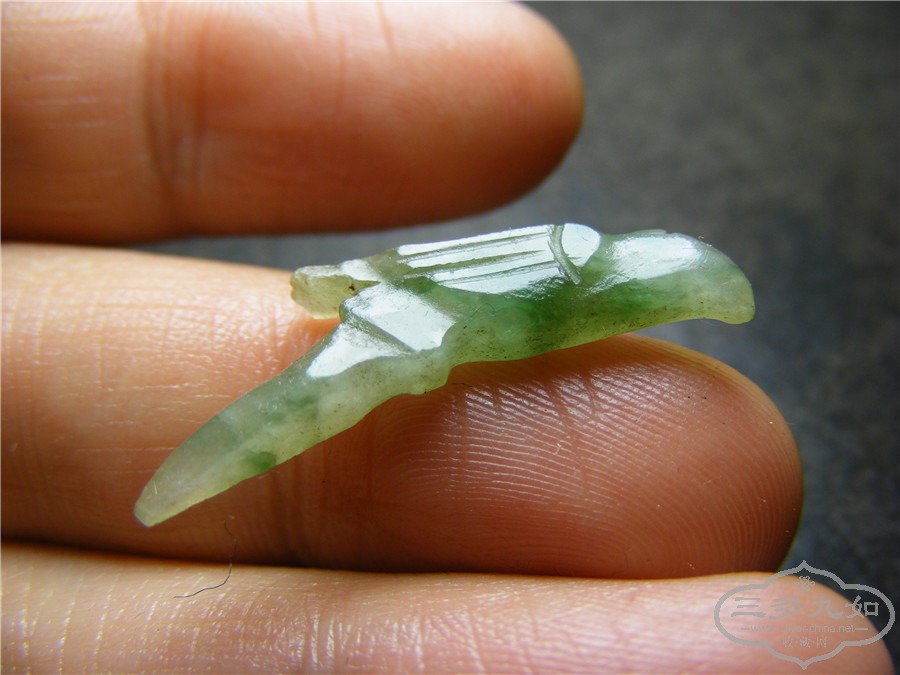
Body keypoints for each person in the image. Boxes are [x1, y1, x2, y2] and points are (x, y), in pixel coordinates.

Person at [1, 4, 890, 672]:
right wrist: (351, 279)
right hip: (412, 319)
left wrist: (355, 279)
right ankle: (179, 487)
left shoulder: (596, 268)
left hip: (420, 317)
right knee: (302, 405)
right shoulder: (573, 254)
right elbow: (451, 266)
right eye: (679, 294)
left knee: (305, 404)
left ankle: (183, 484)